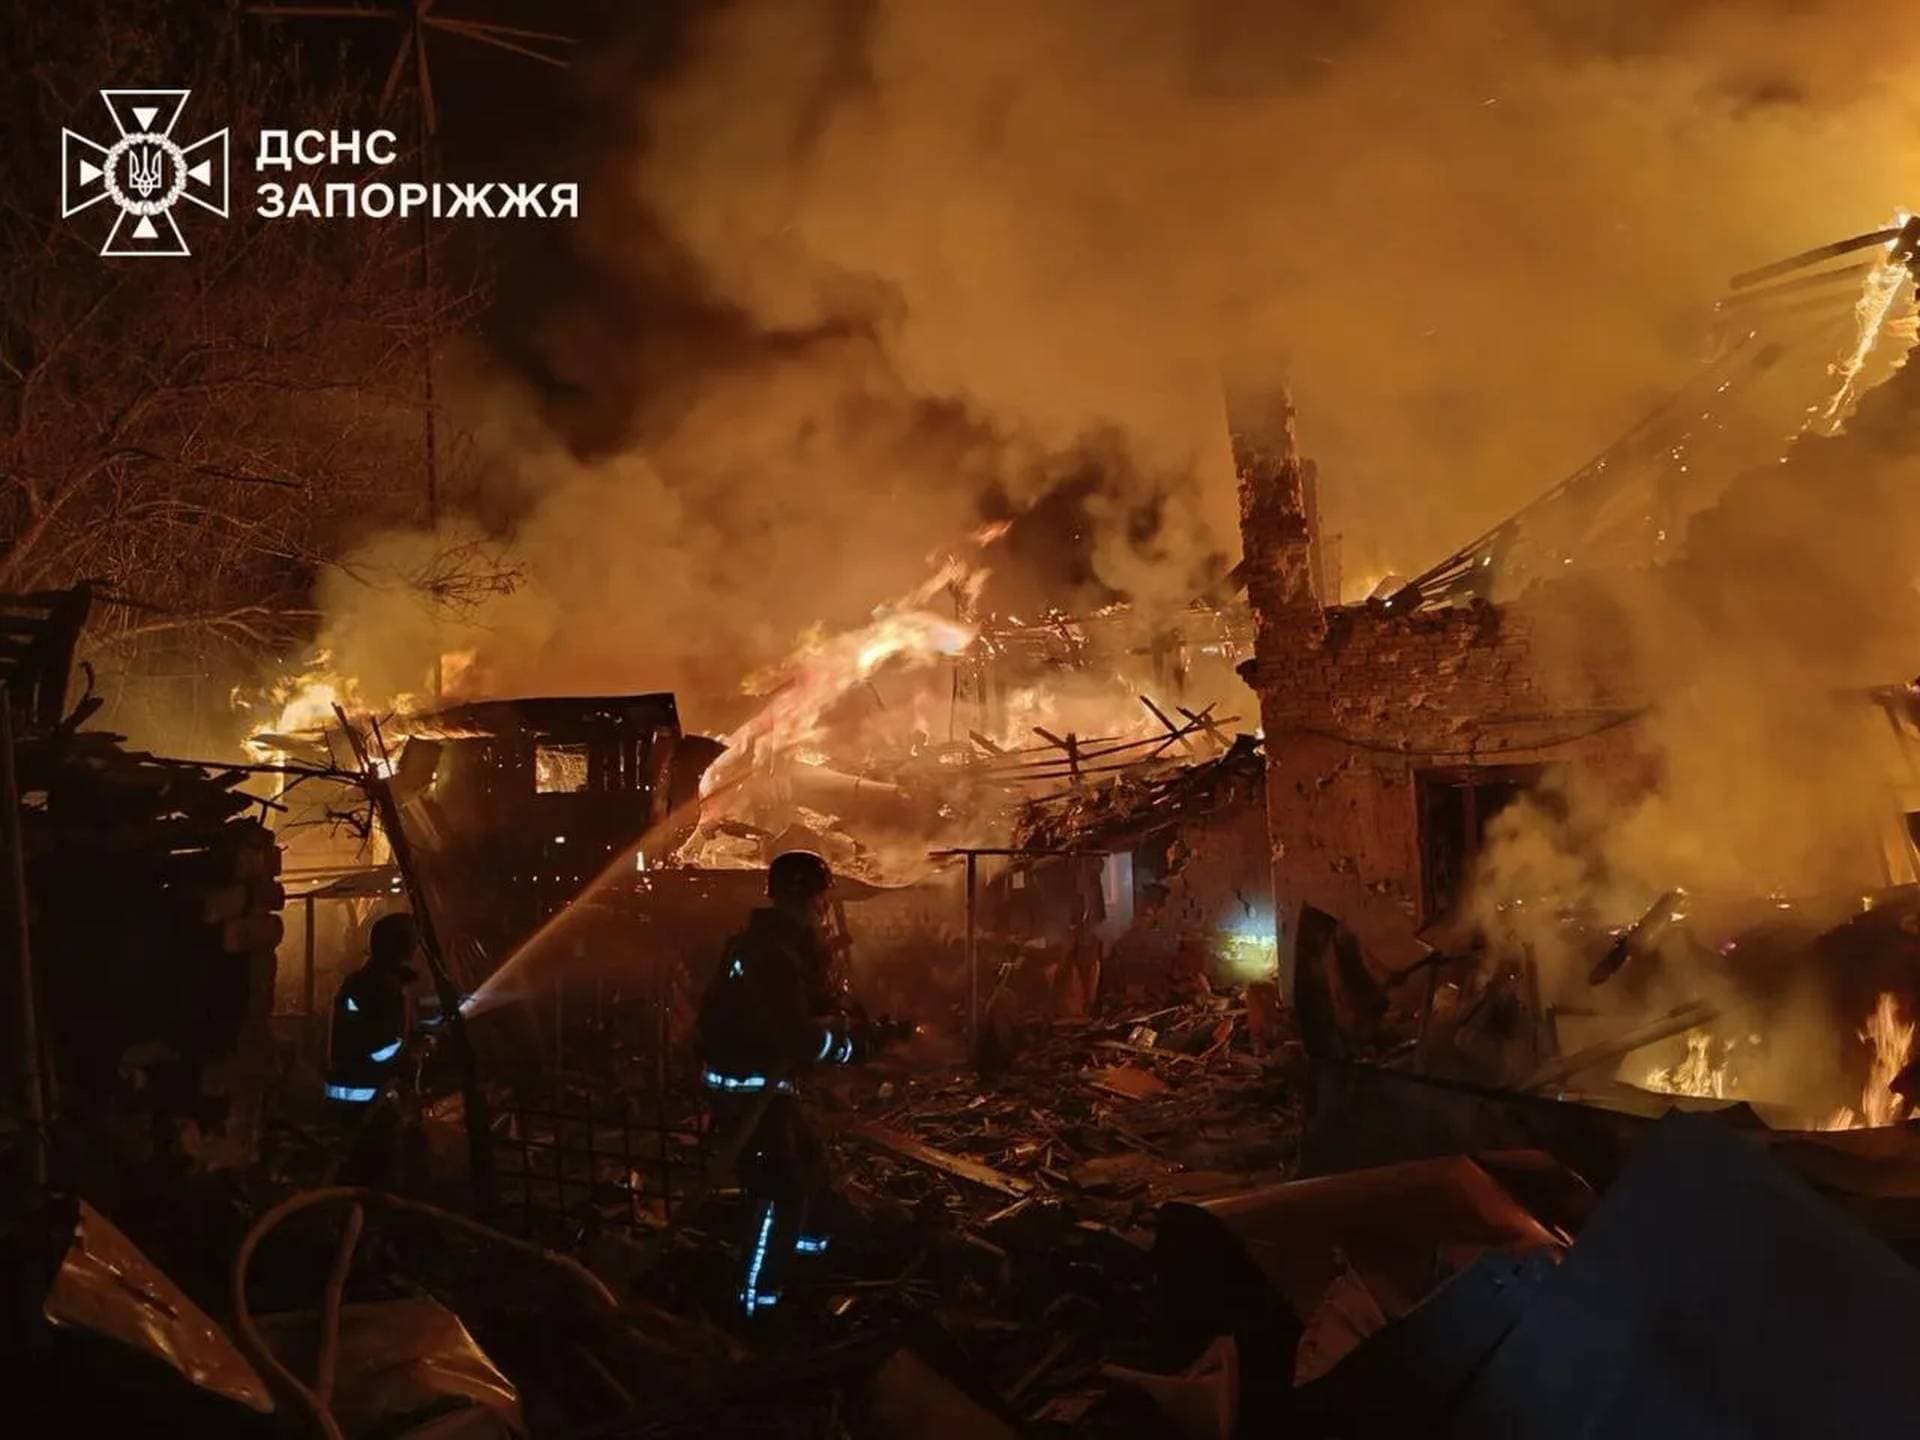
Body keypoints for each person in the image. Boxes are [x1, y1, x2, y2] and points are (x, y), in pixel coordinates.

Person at [696, 851, 873, 1318]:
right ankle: (758, 1305)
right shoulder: (772, 952)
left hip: (763, 1085)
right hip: (748, 1088)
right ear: (807, 898)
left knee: (811, 1169)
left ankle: (807, 1268)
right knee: (783, 1190)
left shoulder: (775, 945)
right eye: (820, 899)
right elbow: (797, 1038)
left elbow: (803, 1009)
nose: (822, 911)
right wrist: (849, 1047)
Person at [326, 912, 418, 1113]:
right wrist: (411, 1050)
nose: (416, 949)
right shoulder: (373, 986)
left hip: (371, 1096)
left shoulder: (380, 982)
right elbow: (384, 1043)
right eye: (412, 942)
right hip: (363, 1101)